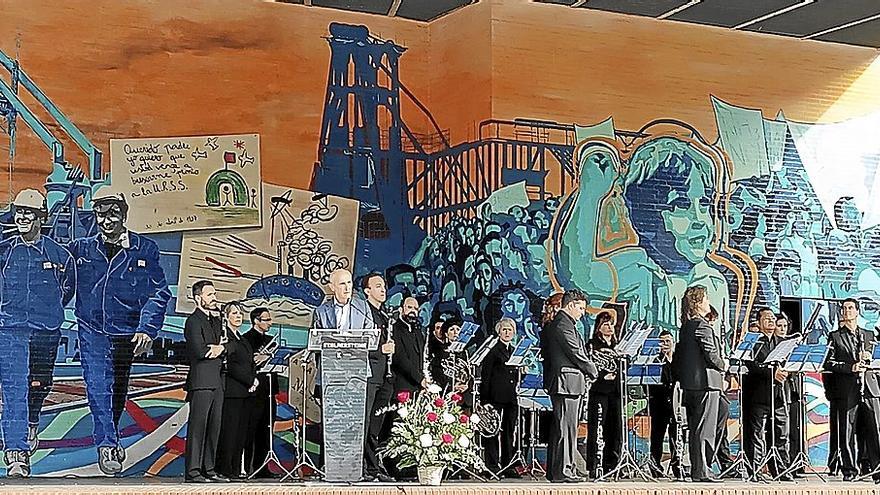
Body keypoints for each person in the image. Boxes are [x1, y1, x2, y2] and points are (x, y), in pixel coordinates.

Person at [69, 191, 171, 475]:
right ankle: (107, 444)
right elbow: (60, 284)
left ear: (124, 214)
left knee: (117, 391)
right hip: (92, 330)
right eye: (101, 213)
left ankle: (110, 433)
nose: (107, 219)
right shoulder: (81, 249)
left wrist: (147, 329)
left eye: (113, 212)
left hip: (127, 333)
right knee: (98, 387)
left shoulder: (144, 249)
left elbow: (158, 292)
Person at [0, 190, 75, 478]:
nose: (21, 217)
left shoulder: (59, 254)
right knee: (14, 389)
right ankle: (16, 454)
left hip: (46, 331)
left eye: (28, 213)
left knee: (40, 384)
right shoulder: (5, 251)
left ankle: (33, 419)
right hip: (11, 329)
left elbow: (67, 289)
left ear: (41, 218)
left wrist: (50, 311)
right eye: (19, 212)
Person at [540, 289, 597, 483]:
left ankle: (558, 470)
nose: (582, 312)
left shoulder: (564, 324)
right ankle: (564, 470)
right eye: (580, 308)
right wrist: (593, 370)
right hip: (566, 383)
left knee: (562, 428)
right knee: (566, 428)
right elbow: (575, 352)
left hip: (568, 383)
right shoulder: (563, 324)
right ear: (571, 305)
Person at [672, 285, 726, 482]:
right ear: (698, 303)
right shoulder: (702, 325)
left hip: (691, 385)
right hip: (705, 383)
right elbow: (711, 354)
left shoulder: (686, 326)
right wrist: (724, 364)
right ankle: (702, 469)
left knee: (700, 425)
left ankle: (700, 467)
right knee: (704, 428)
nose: (708, 302)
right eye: (706, 299)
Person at [824, 298, 877, 481]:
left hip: (870, 388)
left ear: (857, 312)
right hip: (847, 389)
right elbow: (828, 363)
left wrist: (869, 359)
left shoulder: (869, 335)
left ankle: (875, 469)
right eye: (844, 308)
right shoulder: (835, 336)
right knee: (847, 431)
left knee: (874, 429)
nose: (847, 311)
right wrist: (850, 367)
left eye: (850, 308)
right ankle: (849, 470)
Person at [183, 280, 228, 483]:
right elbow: (200, 350)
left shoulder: (217, 321)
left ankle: (209, 468)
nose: (214, 298)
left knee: (215, 427)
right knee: (198, 427)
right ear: (198, 298)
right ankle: (193, 470)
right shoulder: (193, 321)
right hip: (201, 381)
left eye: (214, 294)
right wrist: (218, 349)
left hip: (217, 380)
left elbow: (226, 346)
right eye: (210, 295)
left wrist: (219, 348)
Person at [742, 307, 791, 480]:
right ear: (759, 322)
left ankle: (781, 470)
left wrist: (786, 371)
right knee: (757, 433)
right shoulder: (754, 341)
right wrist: (772, 373)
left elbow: (789, 363)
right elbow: (751, 365)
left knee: (781, 434)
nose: (771, 320)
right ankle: (754, 469)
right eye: (766, 318)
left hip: (779, 395)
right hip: (758, 394)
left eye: (773, 318)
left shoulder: (782, 342)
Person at [216, 301, 258, 480]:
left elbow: (248, 362)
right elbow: (231, 366)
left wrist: (253, 379)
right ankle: (225, 468)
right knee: (229, 432)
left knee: (240, 433)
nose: (238, 316)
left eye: (240, 313)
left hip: (245, 391)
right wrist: (250, 379)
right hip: (232, 391)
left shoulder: (241, 338)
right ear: (226, 317)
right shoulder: (227, 339)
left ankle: (235, 468)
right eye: (234, 313)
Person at [361, 272, 395, 482]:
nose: (383, 290)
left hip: (384, 376)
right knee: (365, 424)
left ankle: (374, 467)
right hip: (370, 374)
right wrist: (381, 349)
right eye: (378, 286)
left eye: (383, 286)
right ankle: (364, 466)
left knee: (375, 424)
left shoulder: (383, 315)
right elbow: (359, 344)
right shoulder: (364, 314)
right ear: (367, 291)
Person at [480, 318, 520, 477]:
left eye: (510, 330)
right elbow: (486, 374)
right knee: (493, 430)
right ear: (498, 332)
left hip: (511, 396)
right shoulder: (493, 350)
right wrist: (485, 399)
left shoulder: (514, 350)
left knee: (509, 431)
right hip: (495, 395)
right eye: (504, 330)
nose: (507, 332)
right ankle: (492, 465)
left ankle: (508, 464)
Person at [585, 311, 622, 478]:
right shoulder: (592, 344)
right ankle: (595, 465)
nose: (610, 327)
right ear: (599, 327)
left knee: (615, 429)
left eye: (611, 324)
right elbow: (588, 367)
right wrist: (602, 375)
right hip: (599, 391)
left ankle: (612, 464)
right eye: (606, 324)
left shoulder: (618, 346)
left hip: (615, 391)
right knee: (597, 428)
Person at [241, 307, 277, 478]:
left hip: (270, 389)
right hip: (254, 390)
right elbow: (246, 363)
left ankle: (262, 467)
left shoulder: (272, 341)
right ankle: (248, 467)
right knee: (251, 429)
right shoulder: (246, 339)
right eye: (266, 319)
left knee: (266, 429)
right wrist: (257, 359)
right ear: (256, 321)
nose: (270, 323)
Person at [647, 329, 681, 479]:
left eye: (668, 341)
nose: (666, 344)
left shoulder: (679, 359)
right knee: (657, 436)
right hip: (659, 403)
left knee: (676, 435)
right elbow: (649, 384)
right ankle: (655, 467)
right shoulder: (655, 361)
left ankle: (677, 466)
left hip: (675, 403)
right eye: (662, 342)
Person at [776, 312, 804, 478]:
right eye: (780, 326)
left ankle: (793, 464)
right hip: (779, 393)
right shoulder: (775, 345)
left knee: (794, 430)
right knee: (782, 431)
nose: (782, 329)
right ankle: (782, 465)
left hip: (793, 391)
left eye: (785, 326)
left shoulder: (790, 345)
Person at [390, 297, 429, 395]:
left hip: (418, 387)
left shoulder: (418, 332)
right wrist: (420, 379)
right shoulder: (394, 330)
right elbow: (400, 358)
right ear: (401, 309)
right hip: (401, 387)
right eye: (409, 307)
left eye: (416, 309)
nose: (413, 311)